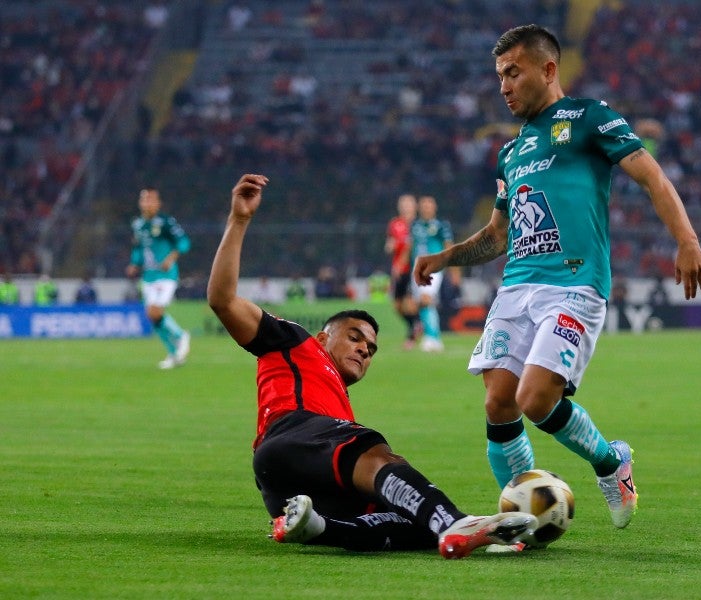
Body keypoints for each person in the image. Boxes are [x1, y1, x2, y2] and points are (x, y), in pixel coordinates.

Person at [413, 24, 701, 533]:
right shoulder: (511, 152)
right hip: (516, 287)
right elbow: (498, 236)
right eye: (499, 76)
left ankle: (611, 462)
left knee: (535, 399)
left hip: (574, 284)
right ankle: (522, 517)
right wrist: (446, 257)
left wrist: (687, 241)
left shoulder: (590, 118)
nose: (503, 86)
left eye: (513, 72)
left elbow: (651, 176)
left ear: (549, 70)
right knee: (499, 401)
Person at [207, 173, 537, 559]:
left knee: (409, 522)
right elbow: (223, 301)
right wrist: (240, 220)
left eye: (372, 347)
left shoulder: (337, 402)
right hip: (291, 435)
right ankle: (454, 521)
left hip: (288, 488)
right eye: (354, 336)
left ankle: (318, 527)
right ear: (322, 337)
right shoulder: (294, 341)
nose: (365, 349)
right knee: (379, 457)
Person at [126, 187, 192, 369]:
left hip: (166, 275)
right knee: (152, 316)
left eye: (150, 199)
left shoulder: (165, 222)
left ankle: (180, 336)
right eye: (144, 199)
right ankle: (173, 354)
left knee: (155, 311)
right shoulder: (138, 225)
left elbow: (184, 242)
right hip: (148, 276)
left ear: (158, 203)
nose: (147, 203)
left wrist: (170, 258)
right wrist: (134, 263)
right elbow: (139, 249)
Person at [409, 195, 456, 352]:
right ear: (419, 208)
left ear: (434, 207)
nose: (426, 208)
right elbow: (411, 247)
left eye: (429, 205)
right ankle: (432, 336)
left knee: (426, 298)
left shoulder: (441, 226)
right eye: (424, 205)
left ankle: (432, 338)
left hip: (433, 267)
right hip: (417, 268)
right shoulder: (414, 225)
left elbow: (449, 246)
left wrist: (453, 268)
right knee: (422, 302)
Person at [384, 193, 420, 349]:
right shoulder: (395, 223)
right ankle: (416, 324)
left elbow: (412, 246)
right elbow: (390, 243)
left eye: (408, 204)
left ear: (414, 206)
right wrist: (389, 247)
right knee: (397, 306)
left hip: (413, 268)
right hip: (399, 269)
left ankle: (412, 335)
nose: (405, 206)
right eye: (403, 204)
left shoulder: (418, 225)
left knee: (410, 303)